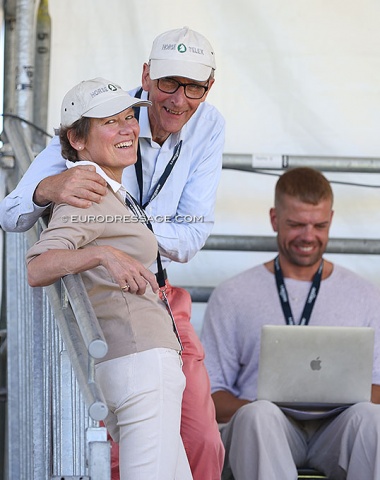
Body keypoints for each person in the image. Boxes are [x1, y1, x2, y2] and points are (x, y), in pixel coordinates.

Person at [0, 27, 225, 480]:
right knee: (118, 457)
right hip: (121, 324)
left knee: (202, 442)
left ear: (208, 87)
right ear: (146, 74)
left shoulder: (206, 124)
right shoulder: (89, 141)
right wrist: (49, 189)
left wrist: (123, 224)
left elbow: (192, 237)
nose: (179, 99)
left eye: (194, 86)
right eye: (167, 83)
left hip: (158, 301)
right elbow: (13, 215)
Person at [26, 77, 193, 480]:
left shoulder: (108, 189)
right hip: (141, 364)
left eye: (128, 118)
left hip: (139, 362)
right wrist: (102, 254)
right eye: (109, 122)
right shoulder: (89, 191)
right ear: (77, 138)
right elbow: (37, 266)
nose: (128, 129)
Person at [201, 167, 380, 480]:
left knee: (370, 417)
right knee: (258, 416)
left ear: (331, 220)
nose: (308, 236)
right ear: (274, 219)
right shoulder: (233, 294)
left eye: (319, 225)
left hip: (336, 429)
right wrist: (267, 400)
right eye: (296, 224)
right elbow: (210, 396)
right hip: (266, 431)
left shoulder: (366, 295)